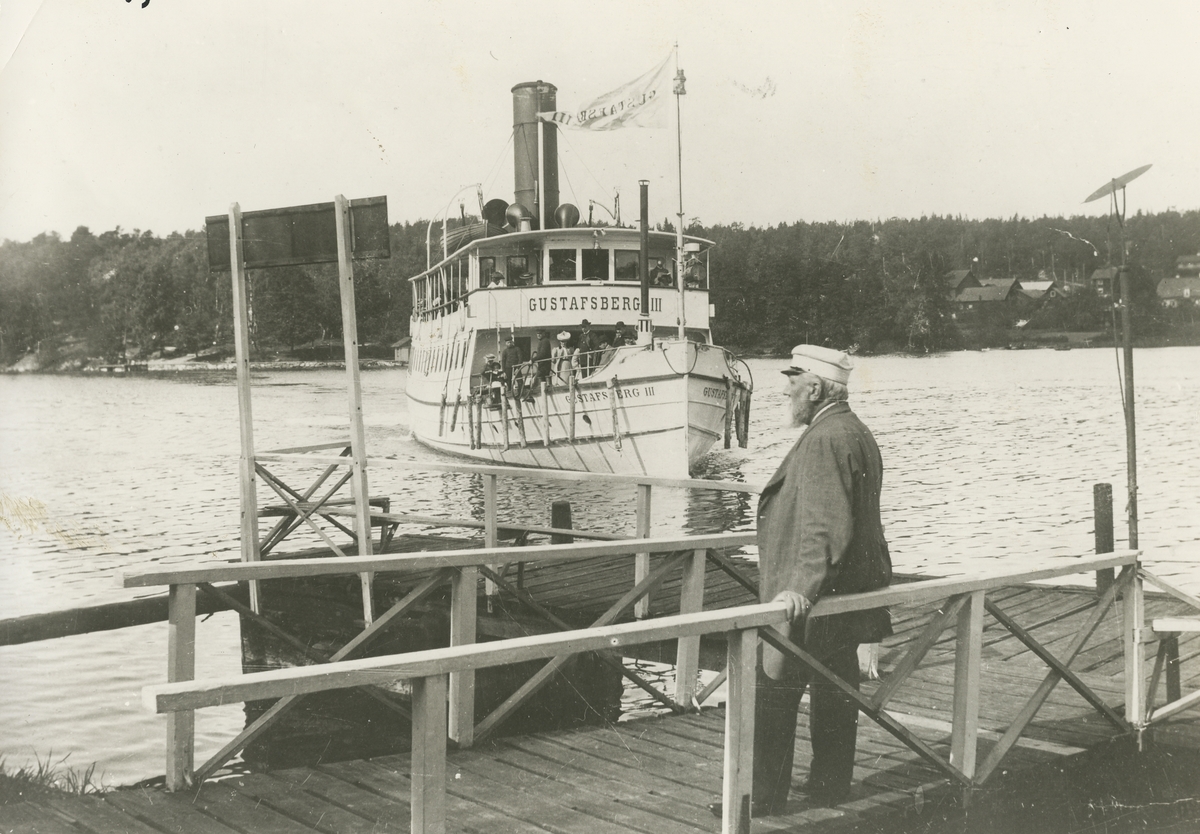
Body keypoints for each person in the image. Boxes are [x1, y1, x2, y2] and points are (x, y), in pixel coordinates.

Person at [713, 344, 892, 817]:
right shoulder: (854, 430)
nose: (785, 391)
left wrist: (800, 589)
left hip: (811, 596)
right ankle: (830, 785)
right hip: (847, 593)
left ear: (814, 389)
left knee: (771, 688)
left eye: (792, 382)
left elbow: (823, 527)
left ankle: (761, 796)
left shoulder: (823, 439)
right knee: (835, 689)